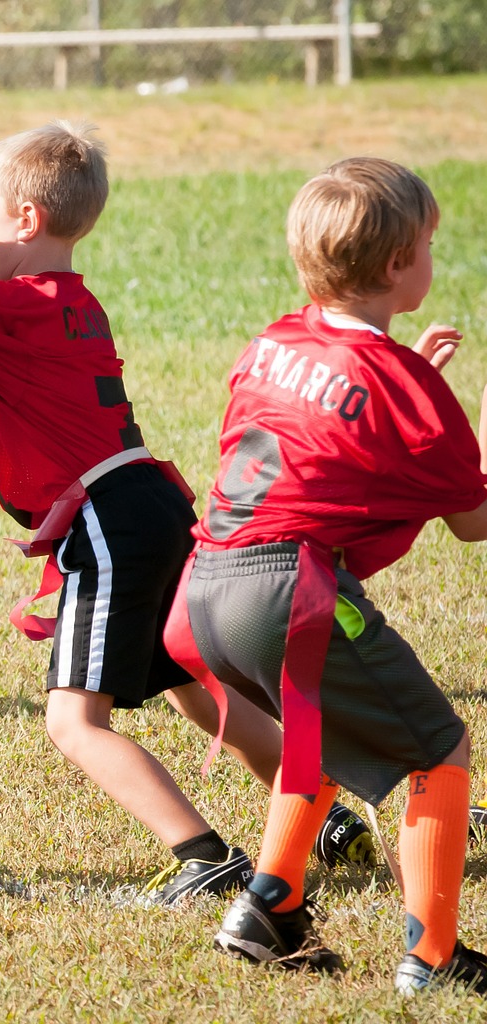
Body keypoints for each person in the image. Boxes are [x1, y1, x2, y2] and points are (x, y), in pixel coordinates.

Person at [0, 121, 373, 906]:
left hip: (108, 519)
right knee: (191, 682)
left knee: (75, 723)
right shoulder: (70, 302)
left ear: (26, 221)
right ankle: (326, 820)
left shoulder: (8, 303)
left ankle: (202, 856)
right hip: (150, 502)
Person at [165, 157, 487, 993]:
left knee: (326, 733)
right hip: (288, 592)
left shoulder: (273, 339)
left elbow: (324, 423)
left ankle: (269, 909)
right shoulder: (403, 384)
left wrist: (410, 381)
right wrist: (437, 404)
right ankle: (435, 959)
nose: (430, 256)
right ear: (395, 267)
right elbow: (472, 522)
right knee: (435, 746)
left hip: (205, 589)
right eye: (427, 244)